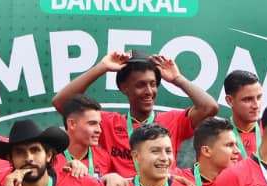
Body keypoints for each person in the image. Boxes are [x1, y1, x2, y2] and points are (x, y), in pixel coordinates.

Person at [50, 51, 218, 176]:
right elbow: (62, 103)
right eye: (141, 85)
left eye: (153, 84)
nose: (149, 91)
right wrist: (102, 68)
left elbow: (209, 107)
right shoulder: (108, 123)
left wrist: (177, 78)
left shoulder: (172, 120)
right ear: (124, 88)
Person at [222, 68, 265, 159]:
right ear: (230, 101)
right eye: (248, 99)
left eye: (259, 97)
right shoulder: (217, 136)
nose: (256, 105)